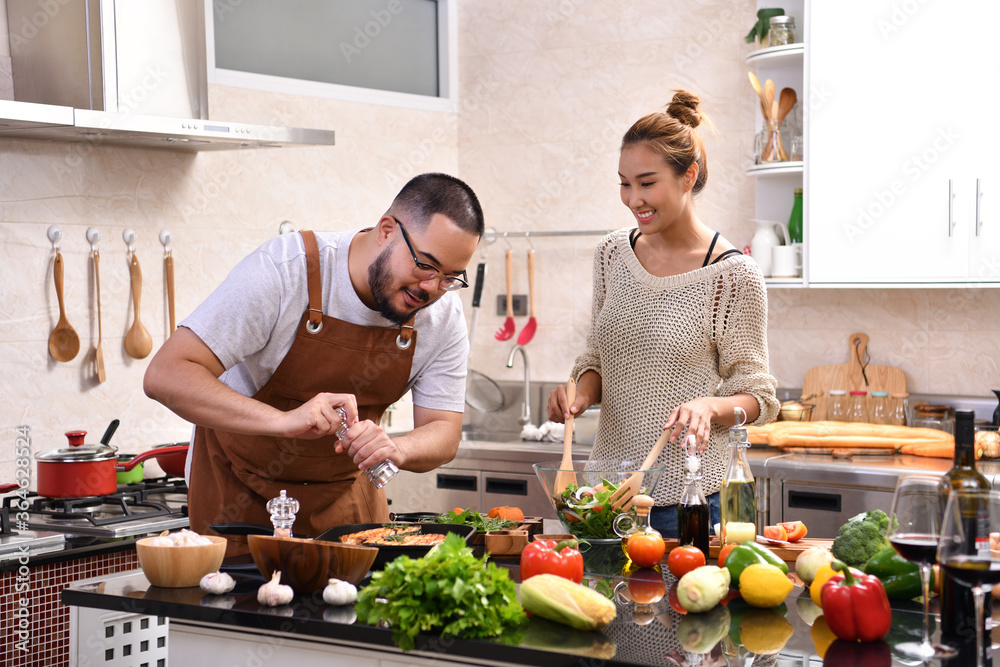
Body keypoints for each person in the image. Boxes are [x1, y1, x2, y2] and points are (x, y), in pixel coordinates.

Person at [144, 173, 484, 556]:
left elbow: (444, 429)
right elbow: (167, 373)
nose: (431, 288)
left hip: (348, 510)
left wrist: (397, 448)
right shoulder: (284, 269)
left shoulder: (442, 316)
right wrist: (282, 421)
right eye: (426, 265)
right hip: (238, 502)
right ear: (387, 230)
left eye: (450, 277)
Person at [546, 91, 778, 537]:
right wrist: (578, 393)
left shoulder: (732, 276)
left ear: (688, 176)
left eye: (647, 182)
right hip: (605, 500)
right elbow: (596, 359)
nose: (633, 198)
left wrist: (710, 407)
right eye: (624, 182)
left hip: (690, 503)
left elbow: (760, 398)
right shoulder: (612, 253)